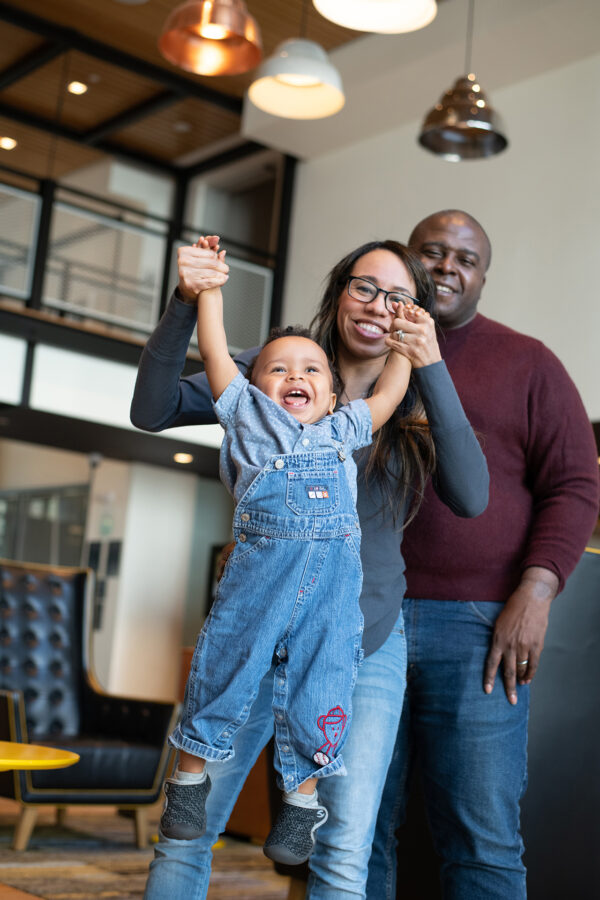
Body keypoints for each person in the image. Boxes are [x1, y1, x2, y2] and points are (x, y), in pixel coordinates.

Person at [130, 236, 489, 899]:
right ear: (338, 291)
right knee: (186, 833)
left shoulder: (399, 400)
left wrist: (428, 362)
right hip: (255, 631)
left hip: (361, 642)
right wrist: (190, 298)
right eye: (365, 286)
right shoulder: (270, 378)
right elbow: (149, 409)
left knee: (343, 853)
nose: (380, 305)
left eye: (400, 296)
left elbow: (471, 497)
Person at [160, 235, 416, 866]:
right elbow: (216, 350)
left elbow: (387, 396)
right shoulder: (246, 418)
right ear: (252, 387)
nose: (295, 377)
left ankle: (301, 809)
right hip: (256, 588)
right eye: (278, 368)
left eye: (310, 370)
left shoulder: (346, 426)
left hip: (331, 604)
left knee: (319, 693)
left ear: (333, 396)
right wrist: (209, 289)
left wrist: (408, 343)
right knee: (222, 672)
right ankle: (188, 784)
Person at [367, 210, 600, 900]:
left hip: (475, 628)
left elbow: (576, 484)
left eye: (465, 259)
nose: (447, 267)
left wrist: (535, 593)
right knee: (355, 830)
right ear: (405, 260)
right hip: (364, 618)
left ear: (482, 277)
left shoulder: (528, 362)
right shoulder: (364, 348)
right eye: (432, 252)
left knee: (481, 836)